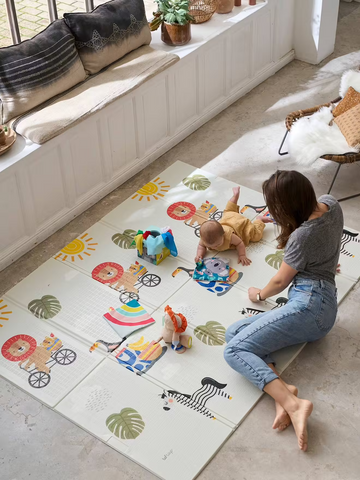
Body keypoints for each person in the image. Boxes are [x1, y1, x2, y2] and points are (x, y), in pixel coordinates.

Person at [224, 170, 343, 452]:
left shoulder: (302, 235)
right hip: (322, 303)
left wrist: (259, 294)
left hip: (310, 305)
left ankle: (295, 404)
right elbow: (331, 243)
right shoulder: (332, 203)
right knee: (235, 333)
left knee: (233, 351)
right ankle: (282, 393)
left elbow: (280, 281)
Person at [195, 186, 272, 266]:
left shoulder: (229, 236)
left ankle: (259, 220)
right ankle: (235, 196)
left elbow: (240, 243)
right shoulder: (205, 238)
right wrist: (199, 255)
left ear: (223, 234)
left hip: (240, 224)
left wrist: (242, 255)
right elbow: (201, 246)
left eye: (217, 245)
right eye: (210, 246)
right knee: (229, 210)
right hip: (229, 217)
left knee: (256, 236)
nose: (214, 248)